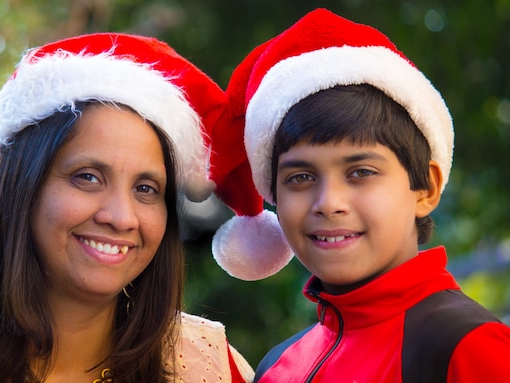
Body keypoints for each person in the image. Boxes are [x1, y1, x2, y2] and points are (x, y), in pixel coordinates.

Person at [0, 33, 254, 383]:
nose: (121, 217)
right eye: (88, 177)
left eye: (146, 188)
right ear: (21, 186)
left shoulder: (212, 366)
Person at [206, 8, 510, 382]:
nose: (329, 203)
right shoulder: (276, 365)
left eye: (361, 172)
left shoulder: (468, 347)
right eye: (300, 178)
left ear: (426, 188)